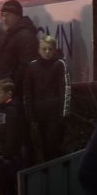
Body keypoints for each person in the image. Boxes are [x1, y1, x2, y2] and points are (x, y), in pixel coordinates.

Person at [23, 35, 71, 163]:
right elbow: (27, 91)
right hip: (39, 115)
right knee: (43, 148)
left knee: (54, 147)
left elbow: (65, 88)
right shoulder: (32, 67)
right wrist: (30, 114)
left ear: (54, 50)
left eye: (50, 49)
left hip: (55, 115)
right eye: (44, 49)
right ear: (39, 50)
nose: (47, 52)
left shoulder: (60, 64)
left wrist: (64, 114)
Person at [0, 78, 26, 195]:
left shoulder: (12, 111)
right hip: (2, 156)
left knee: (10, 190)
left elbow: (11, 134)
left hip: (9, 159)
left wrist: (6, 155)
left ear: (8, 94)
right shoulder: (1, 110)